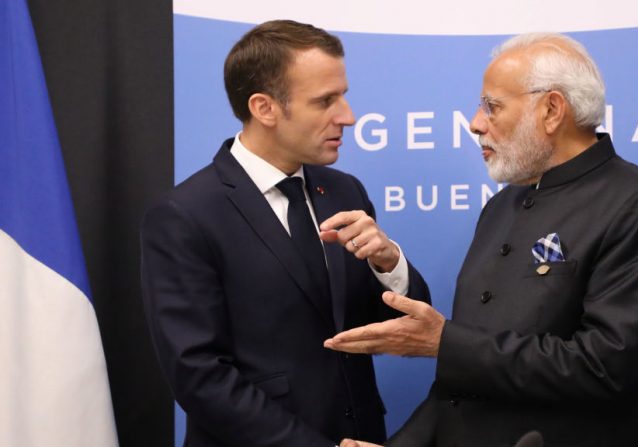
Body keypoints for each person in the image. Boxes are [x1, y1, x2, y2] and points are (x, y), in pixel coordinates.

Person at [326, 32, 638, 447]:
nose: (476, 123)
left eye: (492, 106)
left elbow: (606, 367)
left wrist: (446, 343)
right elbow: (460, 390)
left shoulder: (636, 202)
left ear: (551, 110)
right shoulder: (501, 207)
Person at [140, 20, 430, 447]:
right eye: (326, 101)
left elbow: (404, 326)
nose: (347, 116)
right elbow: (200, 376)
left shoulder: (345, 191)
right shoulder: (183, 216)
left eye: (343, 96)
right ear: (265, 108)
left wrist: (389, 263)